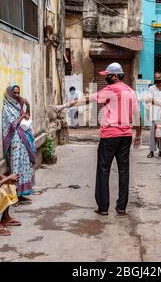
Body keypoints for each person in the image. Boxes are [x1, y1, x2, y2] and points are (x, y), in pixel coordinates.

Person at [53, 62, 141, 216]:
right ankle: (121, 207)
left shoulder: (110, 90)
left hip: (109, 137)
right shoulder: (130, 92)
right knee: (124, 171)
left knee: (103, 170)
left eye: (107, 75)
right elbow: (138, 115)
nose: (106, 77)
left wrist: (63, 106)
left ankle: (103, 207)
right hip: (126, 136)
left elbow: (86, 99)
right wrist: (138, 135)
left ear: (114, 76)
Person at [2, 84, 36, 202]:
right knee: (16, 165)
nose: (17, 95)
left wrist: (28, 105)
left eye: (18, 93)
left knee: (25, 164)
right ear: (10, 93)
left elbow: (27, 116)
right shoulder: (7, 107)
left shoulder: (18, 104)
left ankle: (21, 193)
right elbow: (12, 124)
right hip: (15, 139)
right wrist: (22, 116)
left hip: (23, 137)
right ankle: (14, 194)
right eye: (14, 93)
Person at [144, 72, 161, 158]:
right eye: (156, 78)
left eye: (159, 77)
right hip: (154, 114)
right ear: (154, 78)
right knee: (152, 133)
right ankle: (151, 151)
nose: (157, 79)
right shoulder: (151, 88)